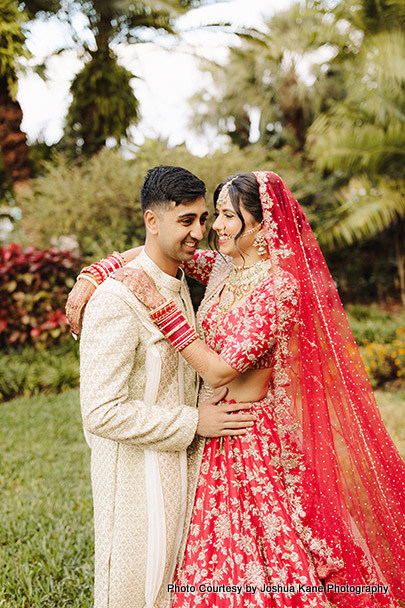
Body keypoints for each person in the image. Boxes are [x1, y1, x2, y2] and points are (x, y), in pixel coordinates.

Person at [69, 171, 405, 607]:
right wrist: (95, 273)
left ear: (264, 225)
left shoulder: (280, 287)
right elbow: (162, 249)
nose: (215, 228)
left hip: (250, 435)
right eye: (217, 215)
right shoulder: (224, 266)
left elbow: (222, 371)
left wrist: (157, 304)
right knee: (205, 558)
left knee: (262, 556)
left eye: (227, 216)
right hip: (212, 433)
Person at [77, 166, 256, 608]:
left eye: (202, 218)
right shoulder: (117, 301)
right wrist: (195, 421)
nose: (199, 231)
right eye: (186, 220)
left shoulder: (177, 282)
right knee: (134, 590)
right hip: (135, 478)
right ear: (151, 221)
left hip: (182, 469)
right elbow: (100, 411)